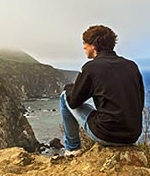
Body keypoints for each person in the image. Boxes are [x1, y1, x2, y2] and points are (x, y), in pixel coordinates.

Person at [60, 25, 145, 157]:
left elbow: (73, 102)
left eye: (85, 43)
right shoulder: (131, 66)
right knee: (93, 108)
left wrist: (69, 88)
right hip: (132, 135)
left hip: (106, 134)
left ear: (93, 45)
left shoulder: (91, 68)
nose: (83, 47)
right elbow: (140, 104)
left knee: (64, 97)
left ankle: (72, 149)